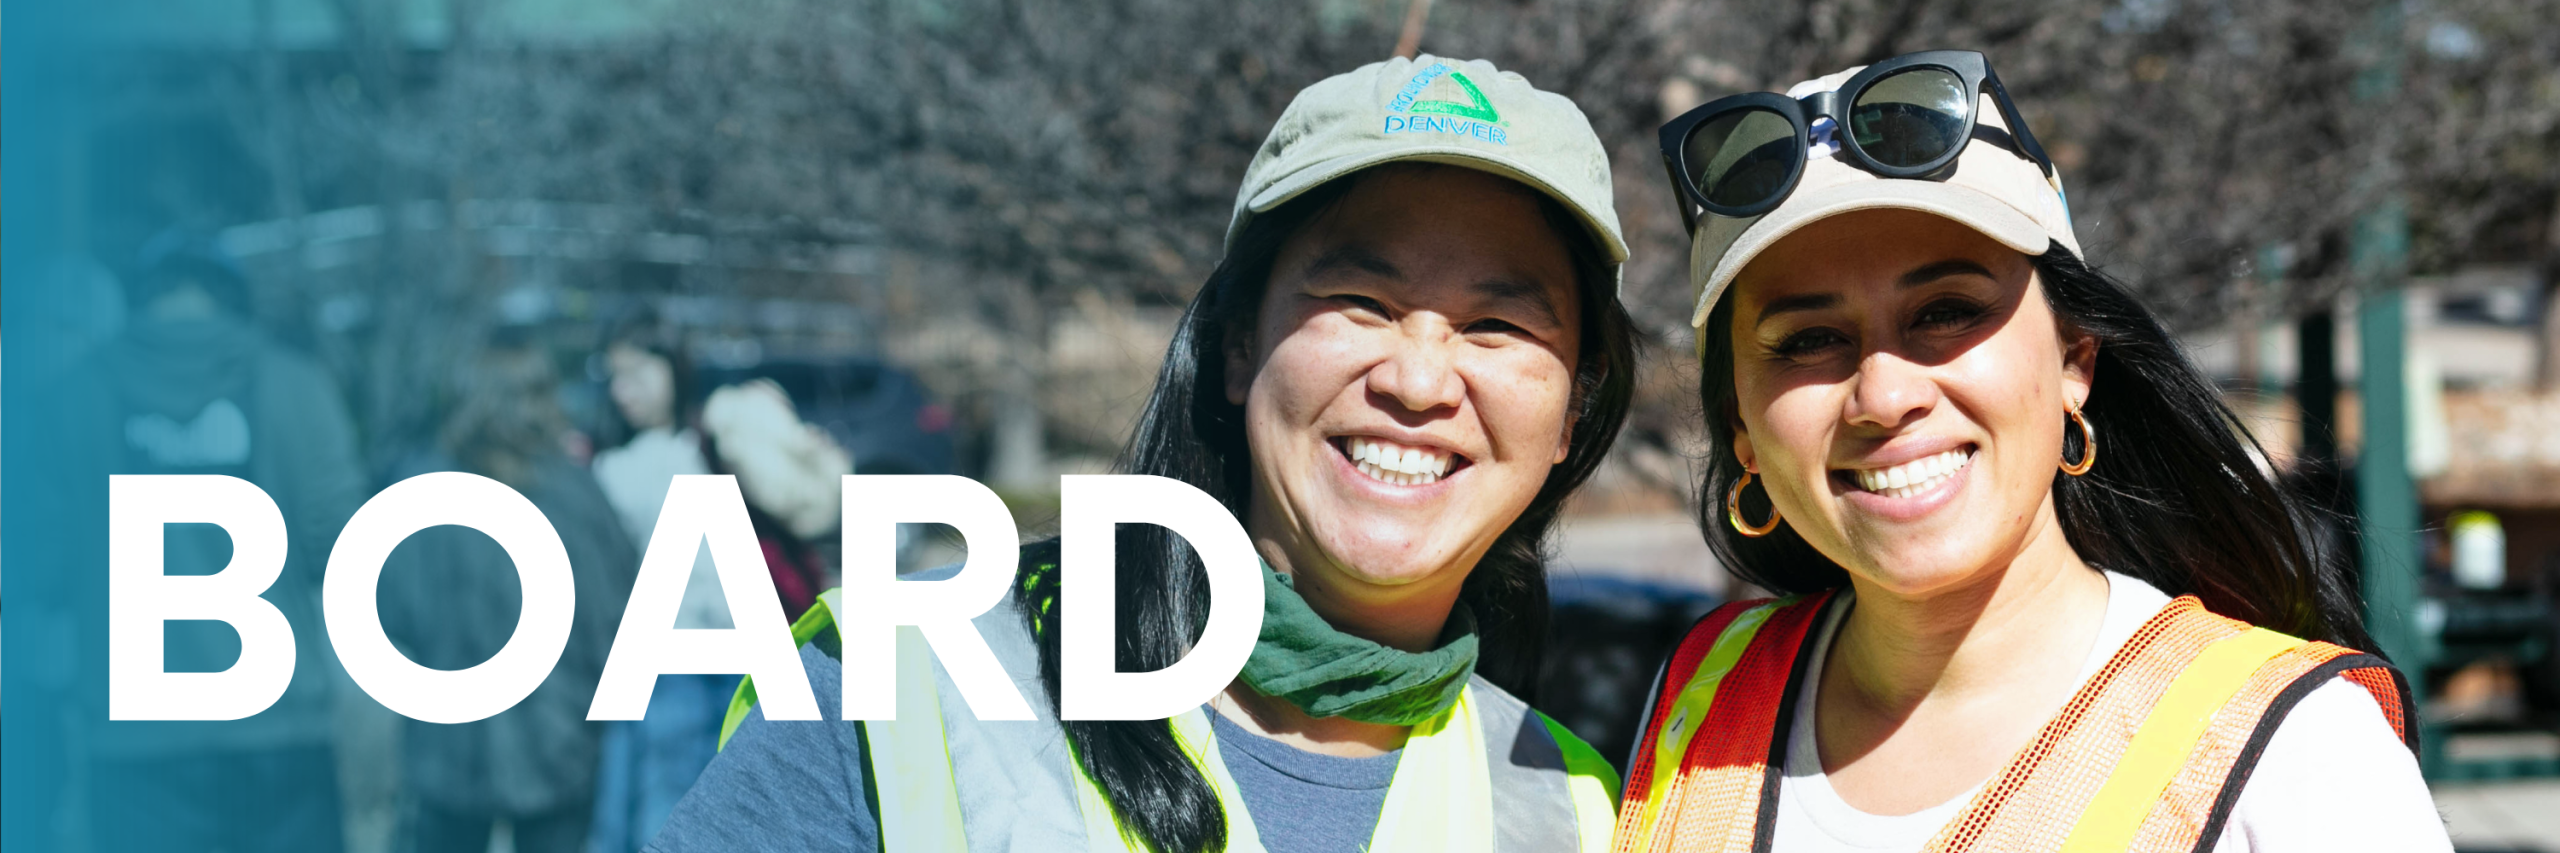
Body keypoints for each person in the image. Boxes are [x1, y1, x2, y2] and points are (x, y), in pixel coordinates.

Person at [649, 54, 1639, 853]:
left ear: (1570, 411)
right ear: (1239, 346)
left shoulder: (1580, 810)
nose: (1418, 381)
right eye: (1359, 302)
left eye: (1499, 322)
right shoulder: (908, 682)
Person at [1614, 52, 2450, 852]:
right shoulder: (1703, 687)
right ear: (1740, 432)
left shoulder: (2298, 750)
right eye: (1808, 339)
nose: (1885, 394)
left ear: (2074, 362)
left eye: (1945, 312)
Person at [36, 233, 370, 852]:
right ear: (233, 300)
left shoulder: (70, 400)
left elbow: (40, 565)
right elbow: (341, 546)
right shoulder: (296, 387)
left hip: (133, 744)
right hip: (280, 735)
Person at [380, 336, 638, 853]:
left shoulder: (416, 492)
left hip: (449, 742)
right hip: (560, 740)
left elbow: (392, 614)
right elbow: (619, 619)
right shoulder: (576, 496)